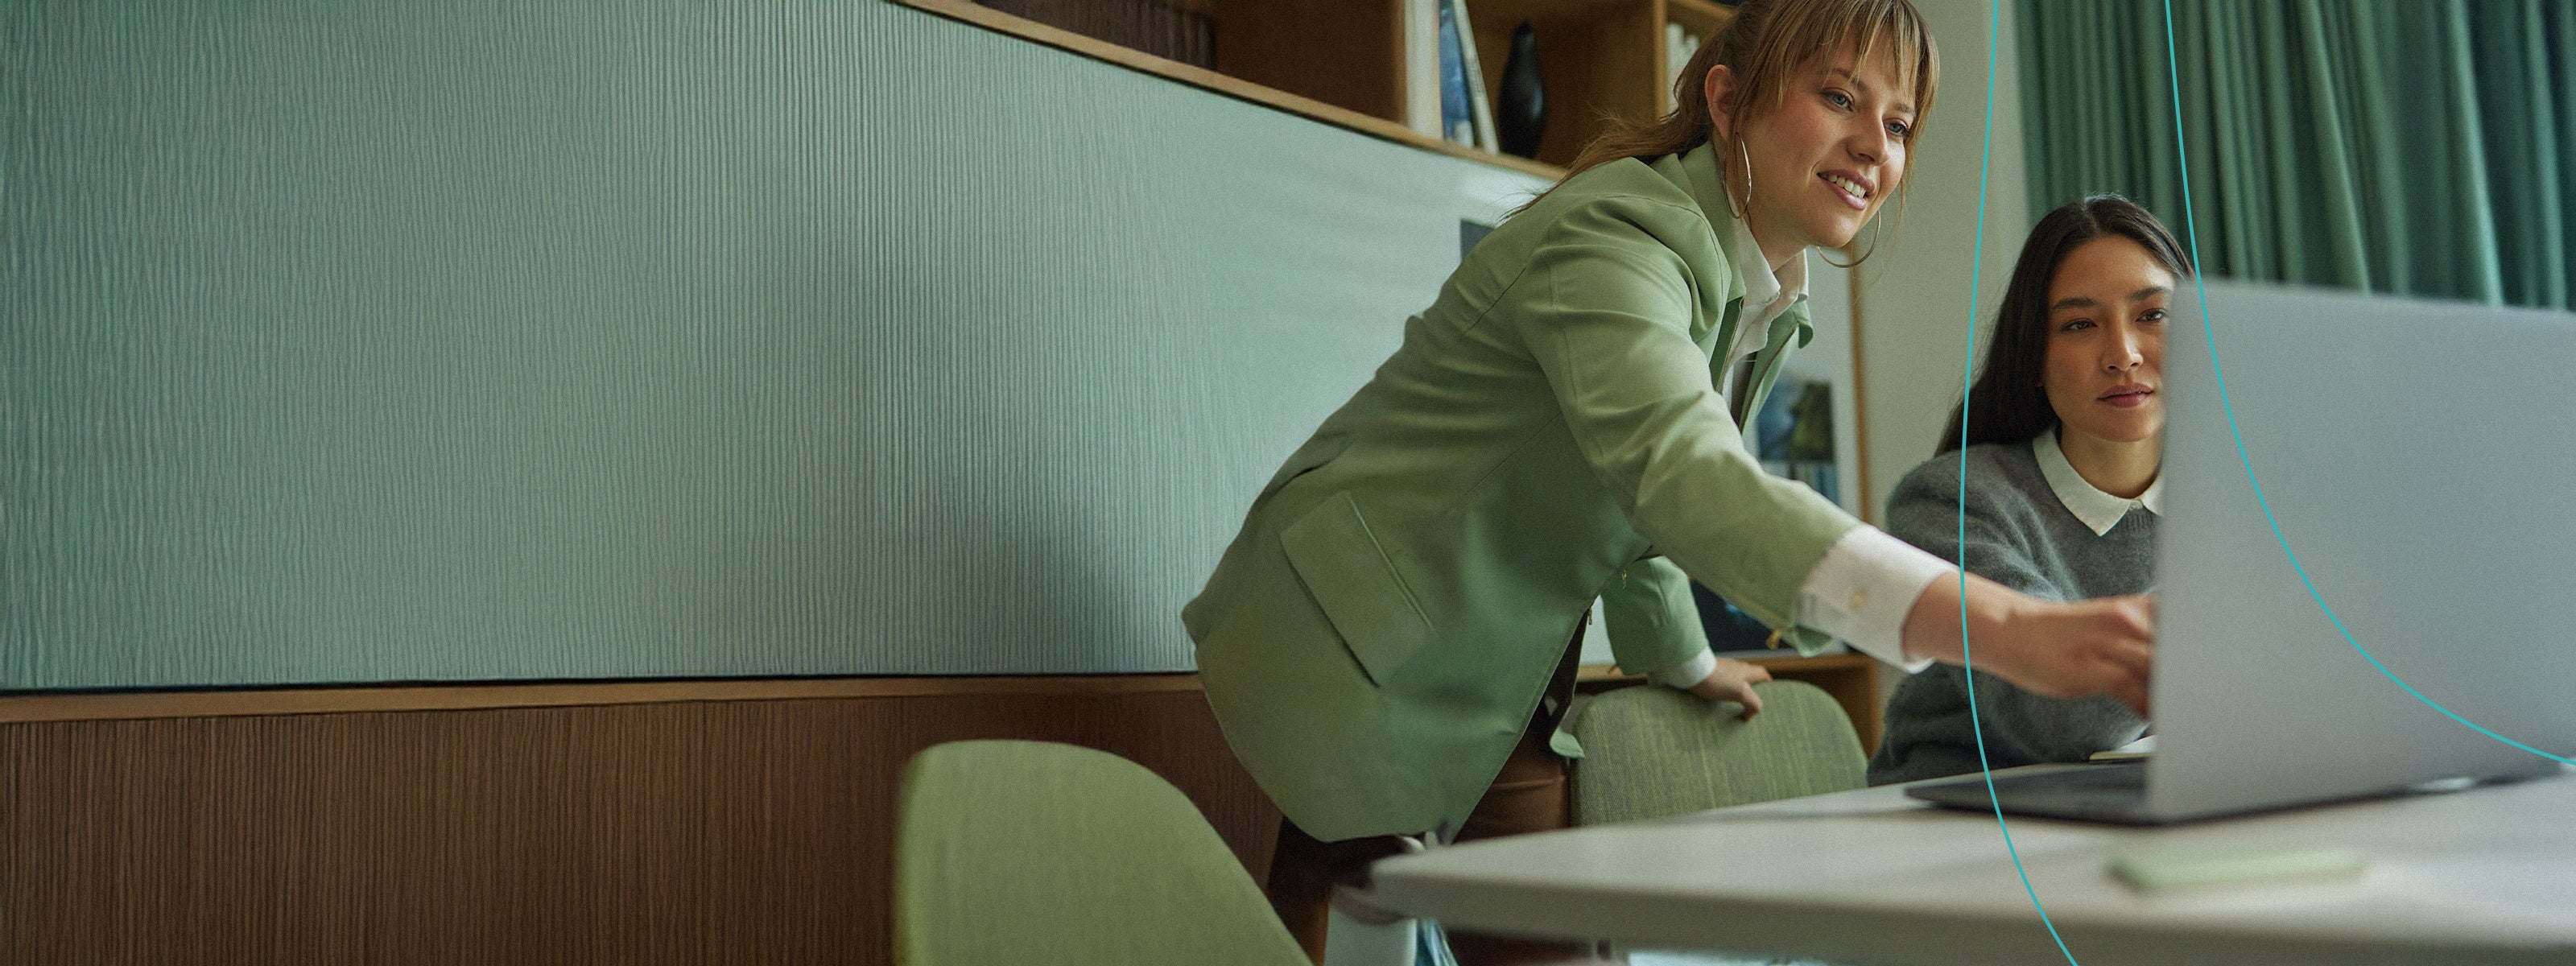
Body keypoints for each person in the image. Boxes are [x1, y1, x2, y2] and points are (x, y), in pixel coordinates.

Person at [1181, 2, 2153, 960]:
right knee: (1320, 920)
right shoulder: (1617, 237)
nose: (1872, 146)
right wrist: (2013, 631)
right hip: (1352, 634)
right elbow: (1681, 475)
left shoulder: (1759, 293)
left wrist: (1681, 658)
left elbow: (1628, 503)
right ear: (1726, 100)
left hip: (1490, 678)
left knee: (1515, 934)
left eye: (1895, 124)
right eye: (1837, 97)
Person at [1868, 195, 2190, 786]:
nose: (2123, 355)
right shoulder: (1951, 501)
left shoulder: (2238, 501)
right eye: (2079, 325)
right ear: (2035, 359)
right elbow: (2066, 721)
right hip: (1960, 816)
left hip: (2151, 800)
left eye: (2153, 315)